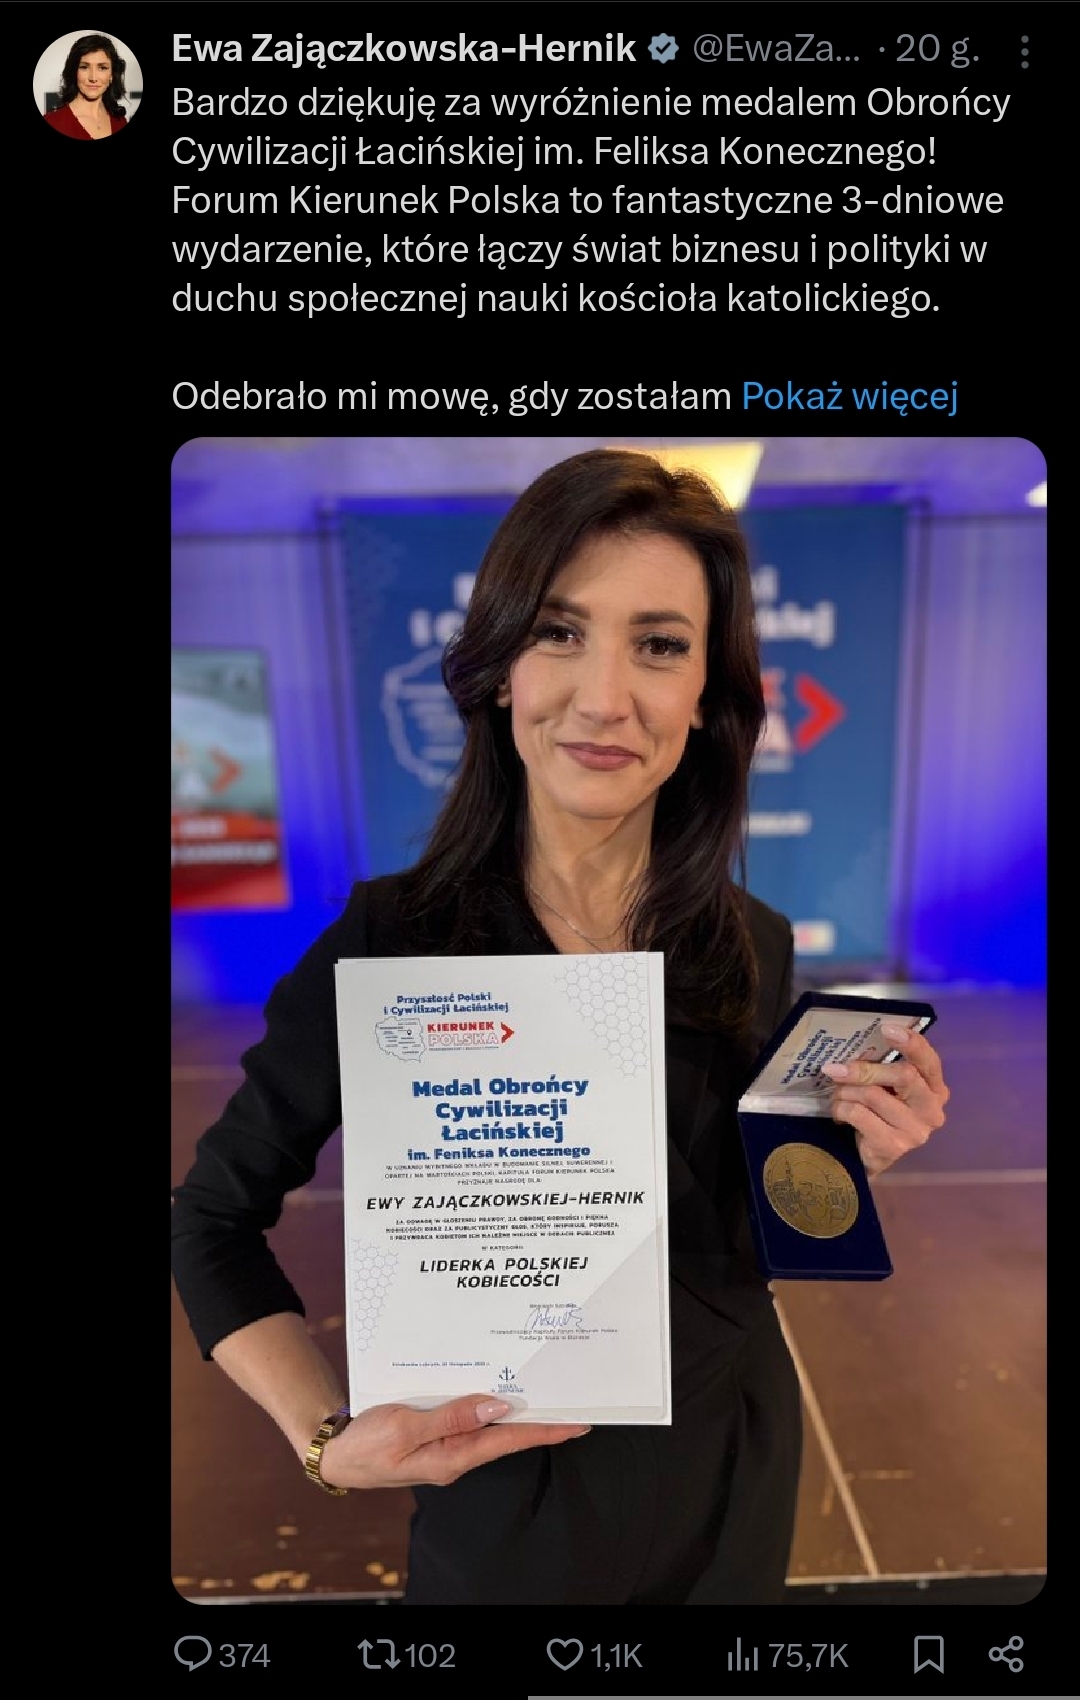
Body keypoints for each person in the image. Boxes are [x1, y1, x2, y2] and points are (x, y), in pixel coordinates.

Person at [171, 447, 950, 1605]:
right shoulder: (391, 942)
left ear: (708, 695)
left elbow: (740, 1241)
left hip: (731, 1487)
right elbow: (209, 1221)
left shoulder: (754, 941)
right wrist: (327, 1440)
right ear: (498, 669)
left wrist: (845, 1156)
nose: (603, 696)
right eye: (558, 631)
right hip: (507, 1519)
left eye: (660, 644)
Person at [43, 35, 128, 139]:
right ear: (74, 72)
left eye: (102, 68)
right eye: (84, 67)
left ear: (112, 75)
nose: (93, 78)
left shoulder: (120, 121)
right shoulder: (53, 122)